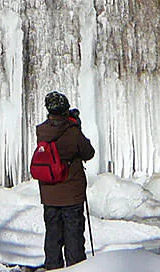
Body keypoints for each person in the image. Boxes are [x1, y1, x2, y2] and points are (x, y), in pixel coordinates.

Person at [36, 91, 95, 269]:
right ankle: (75, 268)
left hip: (49, 194)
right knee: (74, 236)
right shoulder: (72, 132)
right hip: (71, 195)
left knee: (53, 235)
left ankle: (52, 267)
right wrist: (77, 126)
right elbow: (88, 152)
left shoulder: (42, 132)